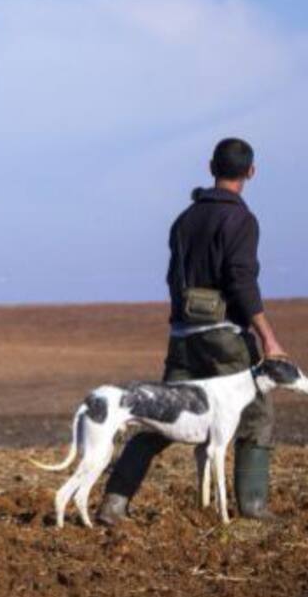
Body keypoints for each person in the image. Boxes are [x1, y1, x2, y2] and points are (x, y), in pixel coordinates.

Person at [96, 138, 287, 525]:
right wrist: (268, 336)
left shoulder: (184, 220)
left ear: (210, 166)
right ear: (251, 172)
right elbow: (241, 280)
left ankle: (113, 504)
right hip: (225, 338)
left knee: (157, 418)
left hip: (183, 337)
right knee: (256, 415)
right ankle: (252, 507)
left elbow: (173, 279)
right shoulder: (242, 220)